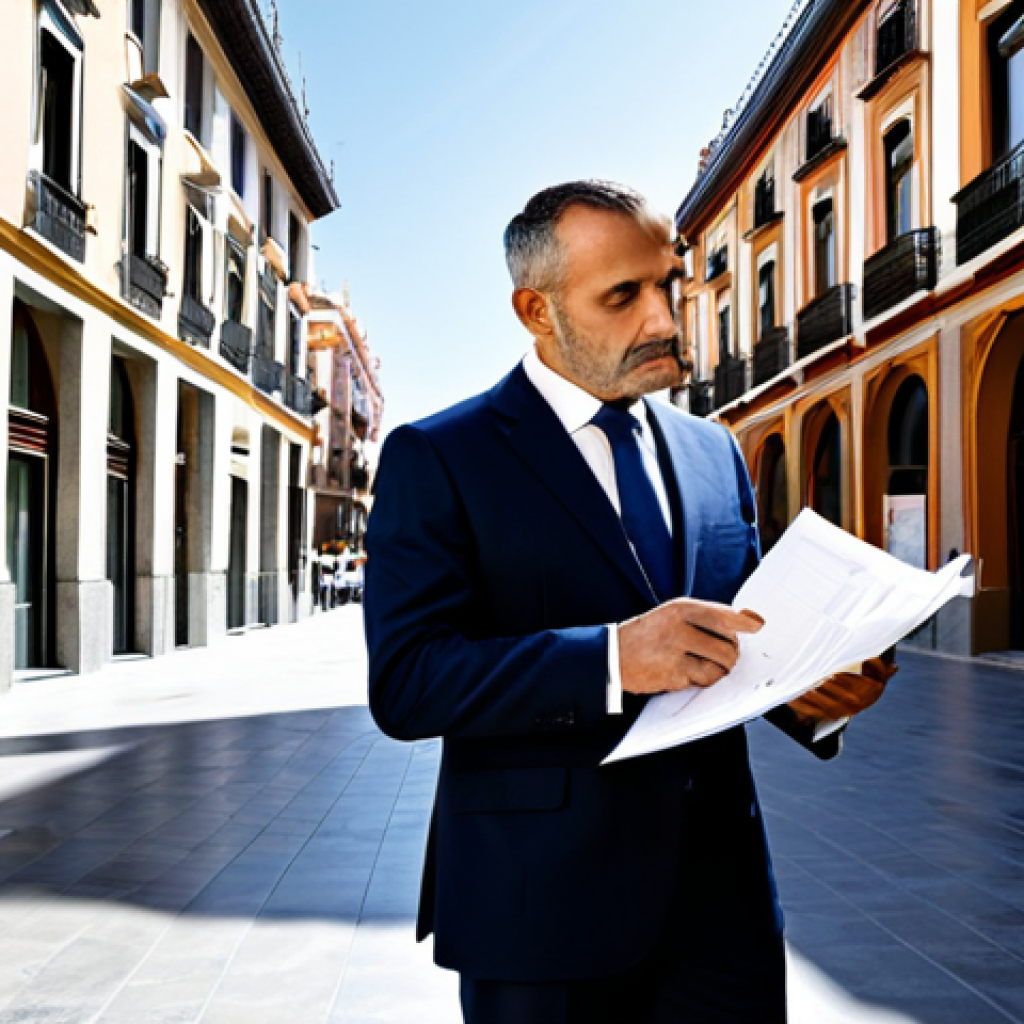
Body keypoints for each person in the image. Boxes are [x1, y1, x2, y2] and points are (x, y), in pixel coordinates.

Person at [364, 181, 893, 1024]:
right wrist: (611, 659)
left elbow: (744, 642)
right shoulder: (439, 457)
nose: (664, 322)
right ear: (537, 310)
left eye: (667, 286)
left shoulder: (714, 452)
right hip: (539, 915)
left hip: (726, 912)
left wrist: (816, 696)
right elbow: (408, 681)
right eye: (623, 295)